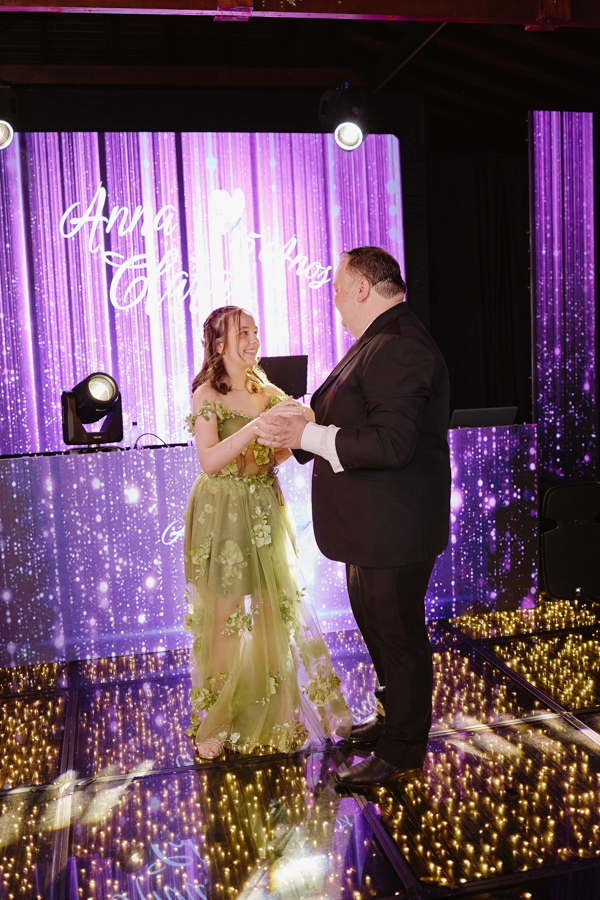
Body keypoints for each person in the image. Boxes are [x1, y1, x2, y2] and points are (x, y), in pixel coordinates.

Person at [256, 246, 451, 790]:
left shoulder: (399, 346)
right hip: (372, 528)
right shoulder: (375, 342)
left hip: (395, 529)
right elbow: (341, 412)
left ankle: (403, 749)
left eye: (339, 290)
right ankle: (393, 722)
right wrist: (294, 426)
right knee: (378, 626)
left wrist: (304, 436)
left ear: (363, 288)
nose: (335, 302)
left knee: (399, 635)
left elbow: (390, 444)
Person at [183, 305, 351, 760]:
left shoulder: (267, 390)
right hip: (222, 511)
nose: (253, 339)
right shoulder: (205, 394)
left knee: (272, 613)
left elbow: (287, 447)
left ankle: (274, 713)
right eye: (243, 332)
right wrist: (254, 430)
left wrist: (277, 441)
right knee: (224, 617)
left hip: (262, 506)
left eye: (256, 330)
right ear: (218, 343)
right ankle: (215, 720)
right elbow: (209, 461)